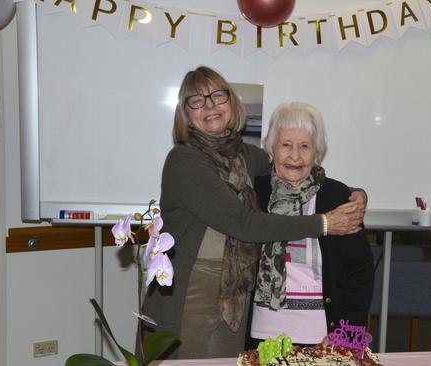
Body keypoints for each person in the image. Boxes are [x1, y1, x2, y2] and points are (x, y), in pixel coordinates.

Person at [143, 66, 366, 359]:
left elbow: (296, 172)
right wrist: (323, 224)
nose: (209, 105)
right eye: (196, 100)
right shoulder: (184, 160)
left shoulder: (249, 158)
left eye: (217, 96)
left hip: (236, 296)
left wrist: (358, 195)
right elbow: (243, 223)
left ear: (231, 103)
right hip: (191, 293)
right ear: (185, 114)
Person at [248, 102, 374, 348]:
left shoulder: (337, 196)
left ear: (317, 153)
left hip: (323, 336)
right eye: (286, 145)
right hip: (262, 332)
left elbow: (359, 272)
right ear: (271, 149)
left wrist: (346, 332)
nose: (295, 156)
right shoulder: (254, 193)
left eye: (304, 146)